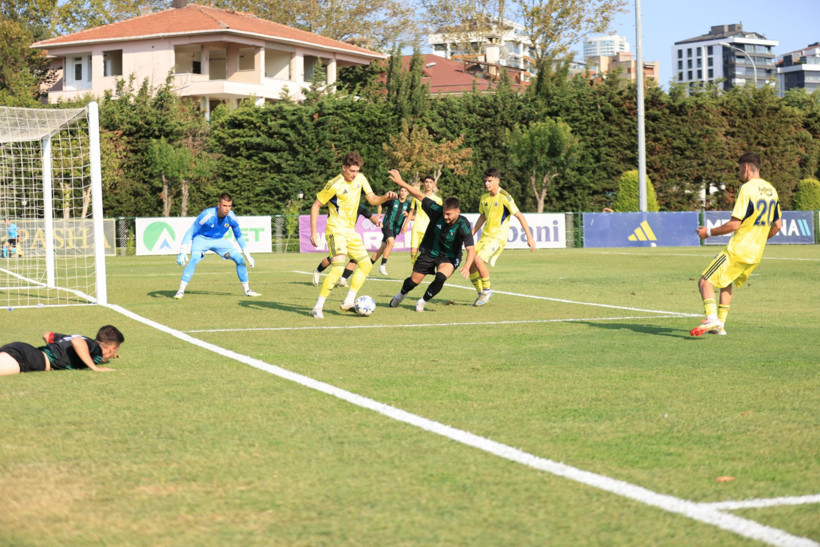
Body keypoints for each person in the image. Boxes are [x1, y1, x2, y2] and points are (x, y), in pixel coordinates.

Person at [690, 152, 781, 337]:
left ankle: (711, 318)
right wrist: (760, 239)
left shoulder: (747, 188)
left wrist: (708, 232)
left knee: (705, 281)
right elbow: (777, 225)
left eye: (739, 169)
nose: (739, 173)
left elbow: (735, 224)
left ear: (746, 168)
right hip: (756, 253)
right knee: (726, 281)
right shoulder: (772, 190)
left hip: (738, 249)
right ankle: (720, 324)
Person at [309, 151, 397, 318]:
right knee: (338, 266)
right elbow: (316, 205)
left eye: (357, 171)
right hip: (335, 230)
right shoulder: (333, 184)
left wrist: (385, 197)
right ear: (344, 168)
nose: (355, 174)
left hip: (351, 231)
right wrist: (314, 232)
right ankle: (318, 307)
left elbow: (372, 200)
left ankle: (348, 302)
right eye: (352, 171)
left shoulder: (361, 179)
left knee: (366, 265)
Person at [387, 169, 475, 312]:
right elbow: (420, 196)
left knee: (440, 277)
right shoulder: (437, 210)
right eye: (444, 213)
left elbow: (471, 249)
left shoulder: (463, 225)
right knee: (413, 281)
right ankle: (401, 294)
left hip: (450, 256)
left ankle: (422, 301)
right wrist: (400, 182)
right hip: (430, 252)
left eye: (449, 214)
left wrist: (466, 266)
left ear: (458, 212)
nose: (445, 217)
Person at [468, 168, 536, 306]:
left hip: (498, 238)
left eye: (490, 181)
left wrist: (529, 237)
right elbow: (483, 216)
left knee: (479, 260)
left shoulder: (505, 197)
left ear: (497, 181)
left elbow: (519, 216)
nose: (487, 183)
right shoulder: (484, 198)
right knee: (471, 266)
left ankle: (486, 291)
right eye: (485, 181)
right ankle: (481, 292)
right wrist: (471, 234)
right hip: (485, 237)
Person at [174, 193, 260, 299]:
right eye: (224, 206)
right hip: (202, 239)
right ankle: (180, 291)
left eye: (229, 206)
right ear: (218, 205)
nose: (227, 209)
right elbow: (191, 231)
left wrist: (248, 255)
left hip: (219, 241)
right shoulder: (207, 215)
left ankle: (247, 290)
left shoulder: (232, 217)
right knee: (195, 258)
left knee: (239, 259)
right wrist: (182, 250)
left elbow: (239, 236)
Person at [0, 325, 124, 376]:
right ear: (113, 348)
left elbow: (47, 335)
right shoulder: (94, 347)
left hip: (27, 352)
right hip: (28, 359)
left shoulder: (88, 342)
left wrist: (58, 351)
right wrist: (95, 368)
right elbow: (77, 343)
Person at [312, 205, 381, 287]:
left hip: (350, 234)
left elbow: (371, 217)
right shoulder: (342, 201)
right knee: (336, 257)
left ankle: (342, 280)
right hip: (337, 233)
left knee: (355, 258)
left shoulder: (360, 206)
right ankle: (317, 271)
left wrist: (377, 222)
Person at [401, 175, 442, 264]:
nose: (428, 184)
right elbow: (411, 212)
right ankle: (415, 270)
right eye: (426, 182)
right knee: (413, 251)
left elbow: (439, 216)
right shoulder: (416, 198)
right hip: (417, 227)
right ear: (423, 184)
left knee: (426, 252)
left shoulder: (438, 200)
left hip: (429, 229)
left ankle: (421, 270)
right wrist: (405, 224)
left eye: (431, 182)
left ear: (434, 184)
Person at [371, 186, 411, 275]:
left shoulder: (408, 204)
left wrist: (408, 214)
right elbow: (380, 204)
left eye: (405, 191)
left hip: (396, 228)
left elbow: (412, 216)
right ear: (399, 192)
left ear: (408, 193)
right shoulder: (393, 200)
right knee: (391, 243)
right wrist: (379, 215)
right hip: (387, 225)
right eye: (402, 191)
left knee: (382, 249)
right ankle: (383, 266)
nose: (403, 192)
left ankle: (367, 266)